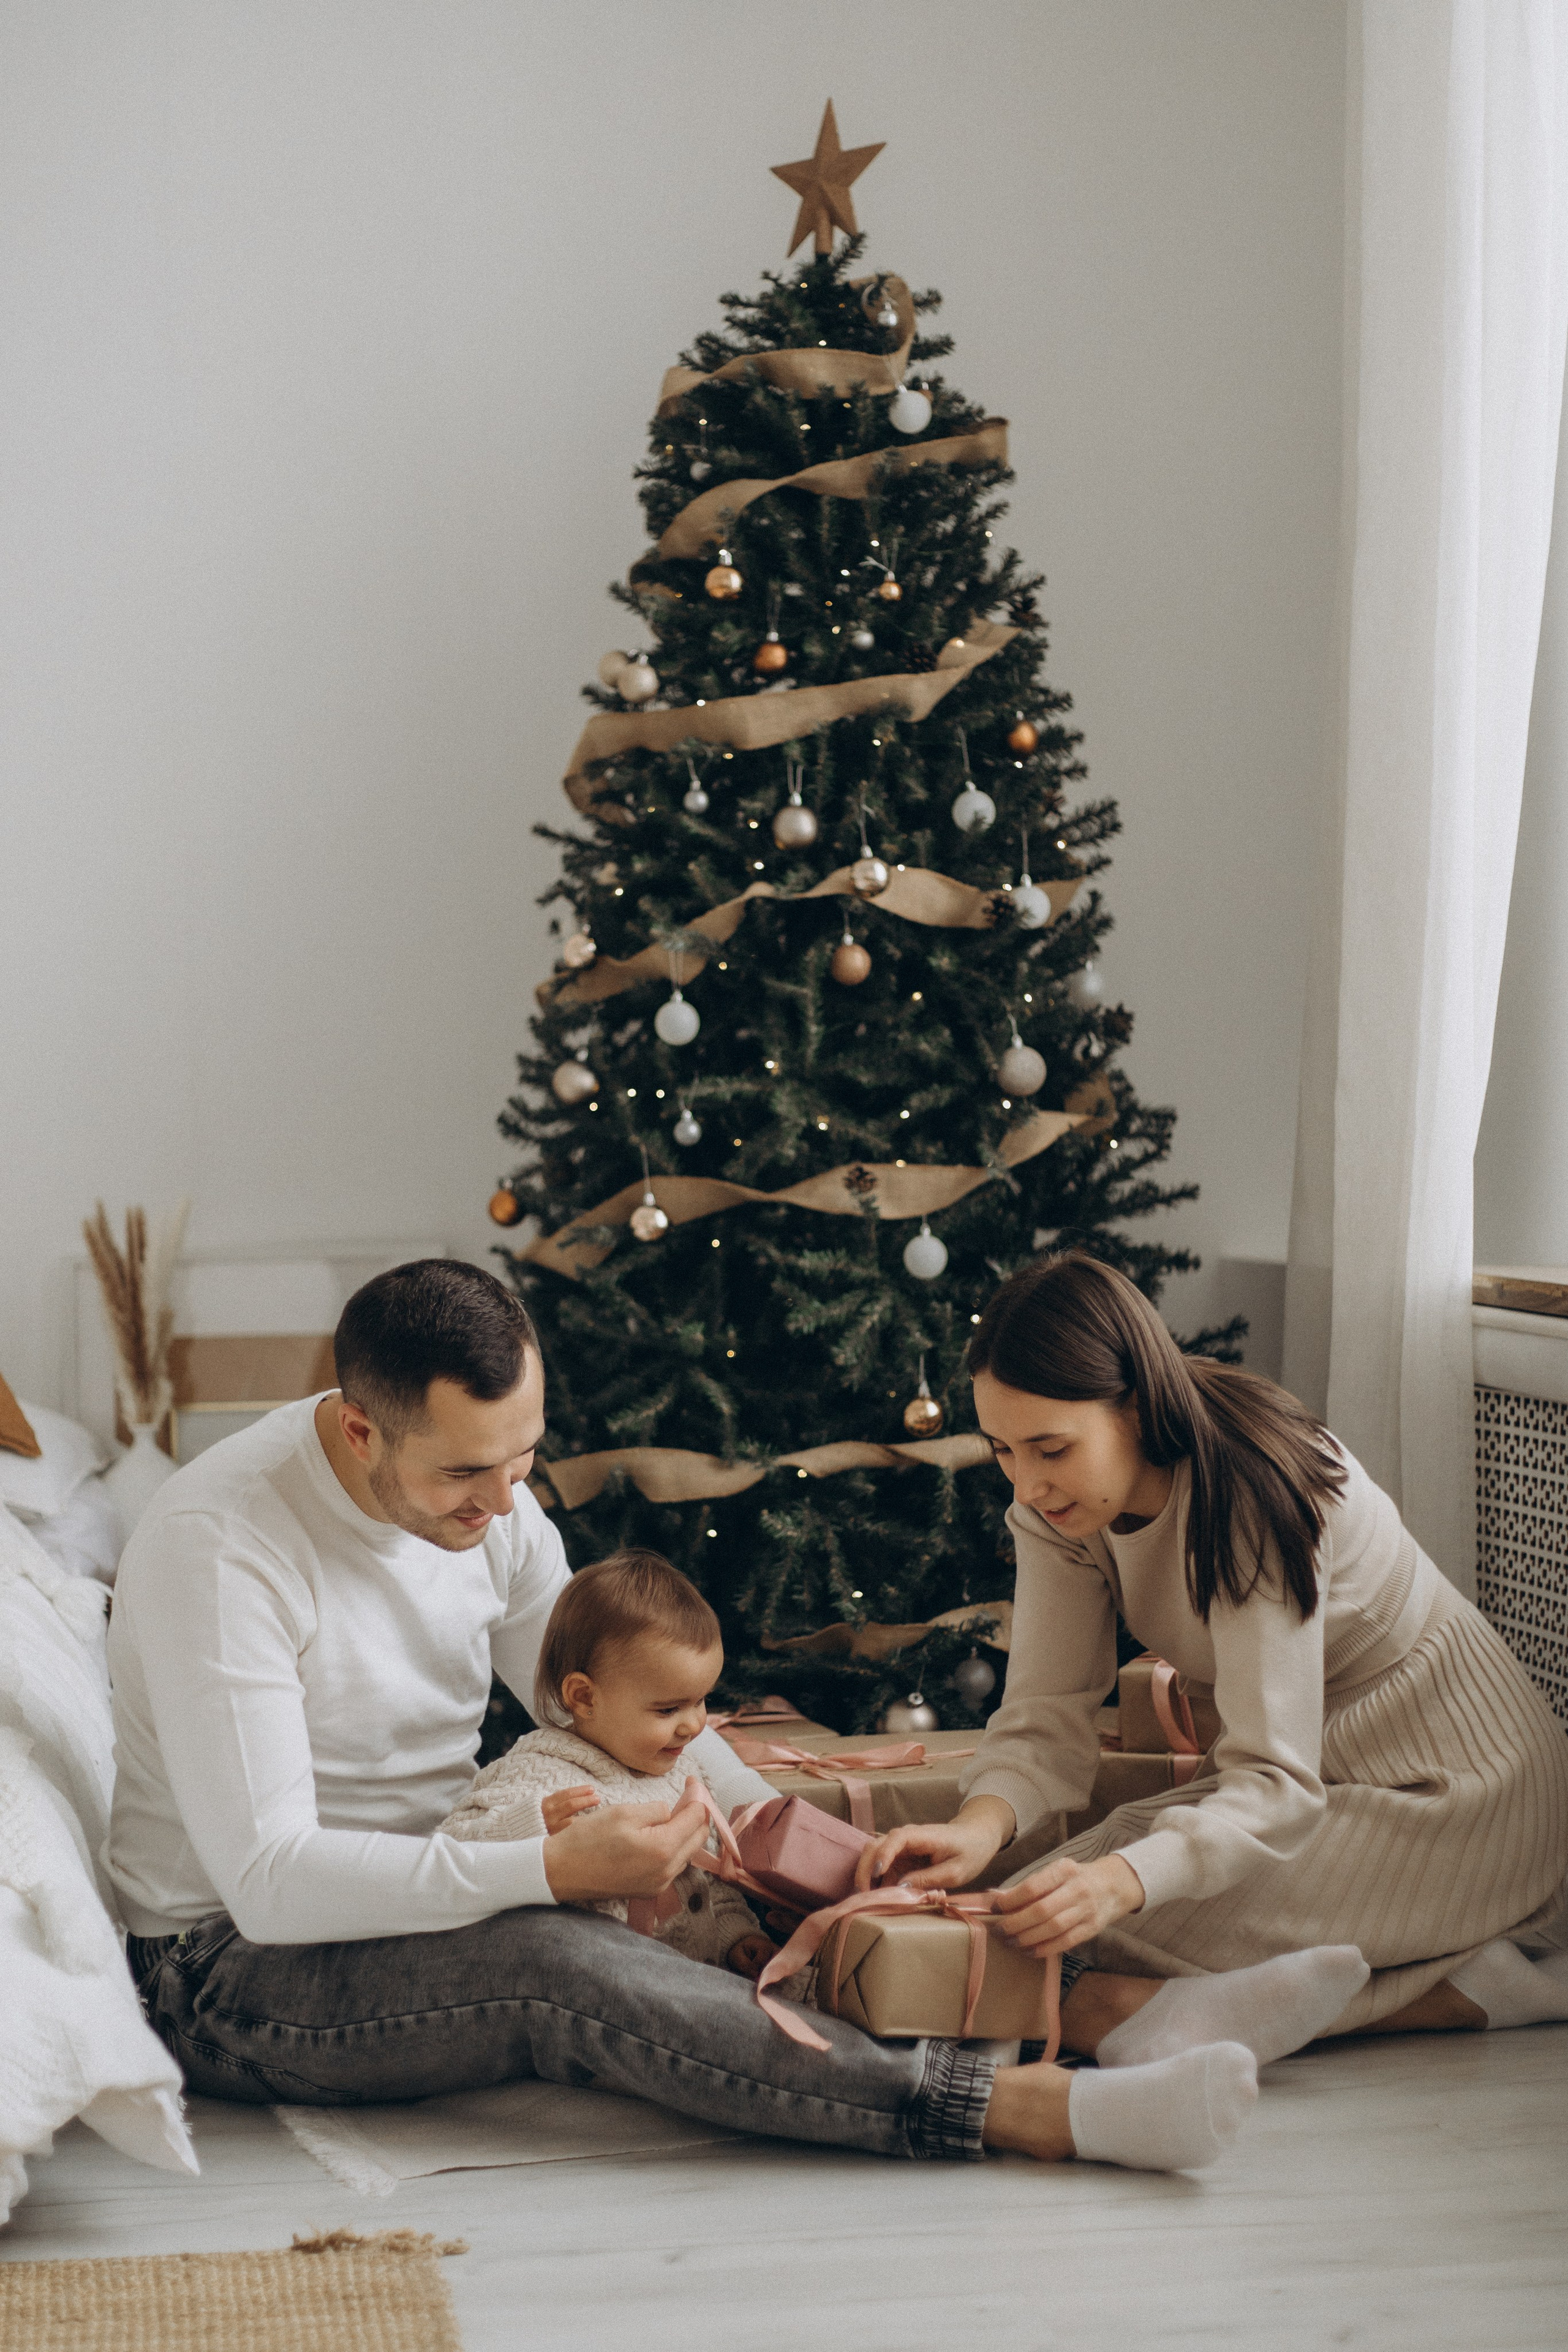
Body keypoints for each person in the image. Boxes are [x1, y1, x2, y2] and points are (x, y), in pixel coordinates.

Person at [108, 1257, 1283, 2174]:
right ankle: (1017, 2108)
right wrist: (545, 1864)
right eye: (469, 1476)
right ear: (362, 1431)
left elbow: (614, 1704)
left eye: (527, 1458)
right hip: (229, 1973)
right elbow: (269, 1883)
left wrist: (794, 1848)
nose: (508, 1503)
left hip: (429, 1879)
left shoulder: (493, 1494)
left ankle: (1104, 2012)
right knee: (553, 1960)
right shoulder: (223, 1549)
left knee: (764, 1850)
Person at [861, 1253, 1568, 2057]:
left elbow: (1275, 1785)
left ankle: (1473, 1985)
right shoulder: (1056, 1510)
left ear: (1135, 1407)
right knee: (1027, 1905)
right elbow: (1045, 1717)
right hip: (1306, 1779)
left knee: (1083, 1919)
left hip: (1458, 1794)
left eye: (1052, 1449)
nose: (1026, 1485)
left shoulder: (1254, 1496)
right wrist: (980, 1831)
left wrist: (1118, 1882)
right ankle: (1374, 1987)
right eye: (1003, 1450)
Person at [438, 1547, 775, 1978]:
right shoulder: (540, 1772)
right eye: (668, 1710)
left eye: (701, 1701)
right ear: (584, 1697)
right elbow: (452, 1851)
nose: (693, 1725)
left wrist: (735, 1937)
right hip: (604, 1994)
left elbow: (707, 1882)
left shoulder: (680, 1772)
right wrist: (531, 1827)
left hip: (693, 1984)